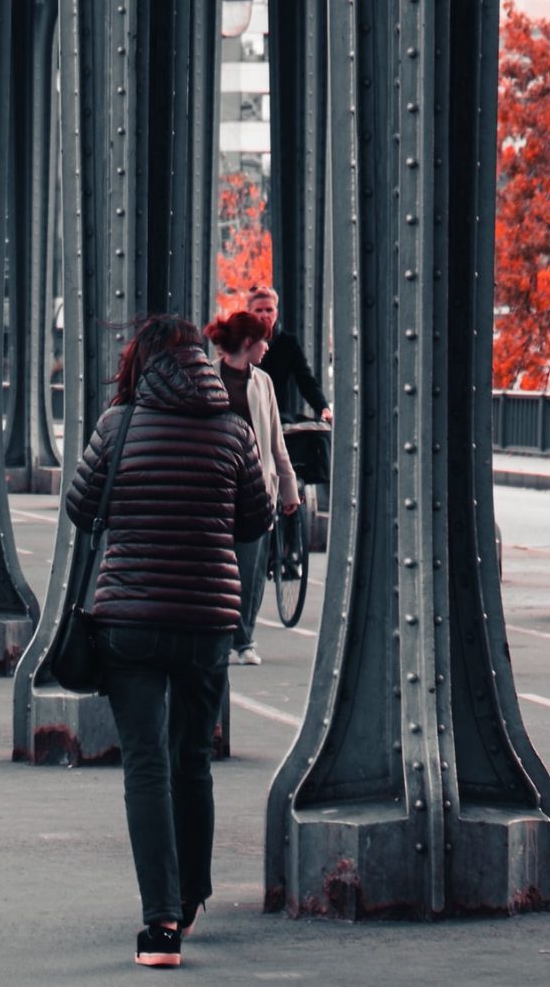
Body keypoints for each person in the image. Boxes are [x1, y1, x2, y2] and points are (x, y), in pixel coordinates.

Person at [64, 314, 270, 970]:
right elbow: (256, 519)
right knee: (191, 760)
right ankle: (191, 894)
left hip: (130, 619)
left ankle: (161, 925)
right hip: (208, 622)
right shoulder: (234, 431)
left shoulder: (116, 426)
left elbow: (78, 505)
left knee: (146, 766)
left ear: (139, 364)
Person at [206, 310, 301, 667]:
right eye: (263, 340)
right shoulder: (207, 376)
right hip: (215, 488)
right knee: (217, 566)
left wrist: (289, 489)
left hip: (256, 488)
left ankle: (243, 639)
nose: (267, 347)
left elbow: (276, 440)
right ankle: (219, 635)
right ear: (248, 342)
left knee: (251, 567)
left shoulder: (263, 382)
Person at [245, 284, 330, 421]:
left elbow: (305, 380)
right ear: (249, 313)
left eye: (269, 310)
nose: (264, 315)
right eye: (258, 310)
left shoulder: (288, 343)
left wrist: (323, 408)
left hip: (278, 416)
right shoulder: (242, 341)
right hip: (247, 414)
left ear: (276, 313)